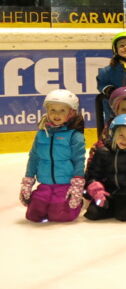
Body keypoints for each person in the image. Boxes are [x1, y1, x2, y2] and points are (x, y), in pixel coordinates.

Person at [20, 89, 86, 223]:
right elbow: (34, 158)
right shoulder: (41, 134)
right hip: (45, 183)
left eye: (62, 110)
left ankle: (77, 204)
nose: (56, 114)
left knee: (59, 216)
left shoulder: (75, 136)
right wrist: (28, 180)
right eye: (52, 110)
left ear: (71, 112)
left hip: (64, 184)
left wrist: (77, 184)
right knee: (33, 215)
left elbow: (79, 160)